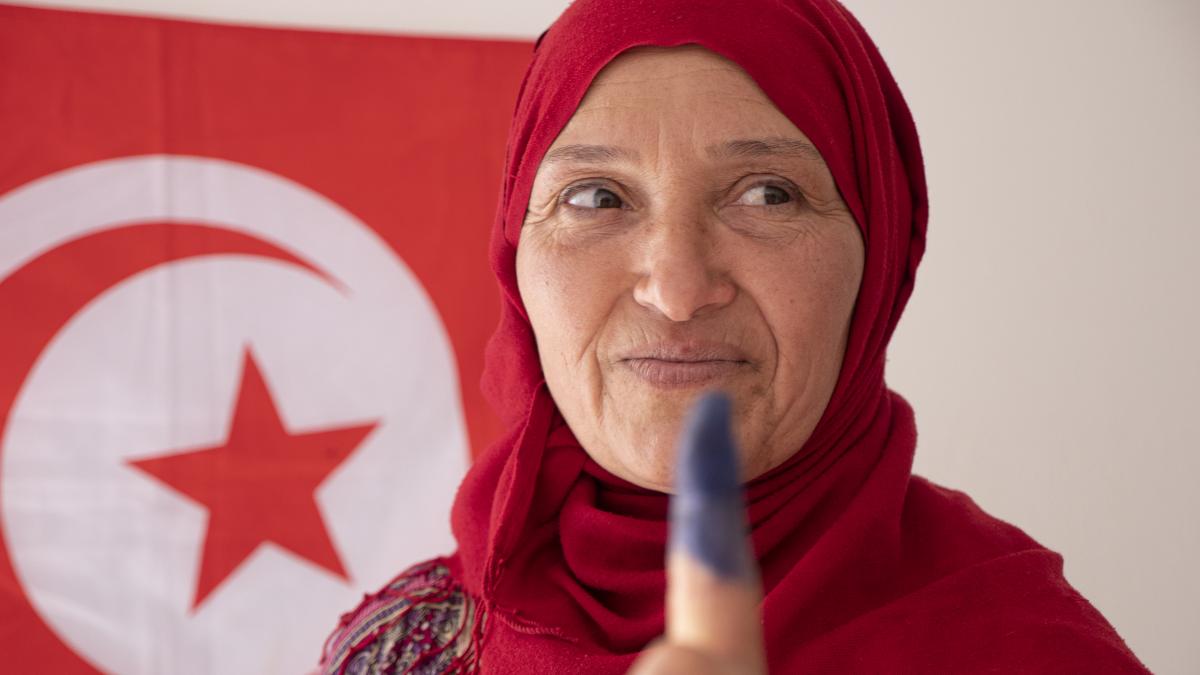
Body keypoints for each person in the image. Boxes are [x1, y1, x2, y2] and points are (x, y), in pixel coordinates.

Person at [317, 0, 1150, 672]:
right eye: (597, 198)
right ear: (516, 260)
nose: (678, 290)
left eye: (768, 195)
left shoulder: (1031, 653)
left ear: (881, 253)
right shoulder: (403, 649)